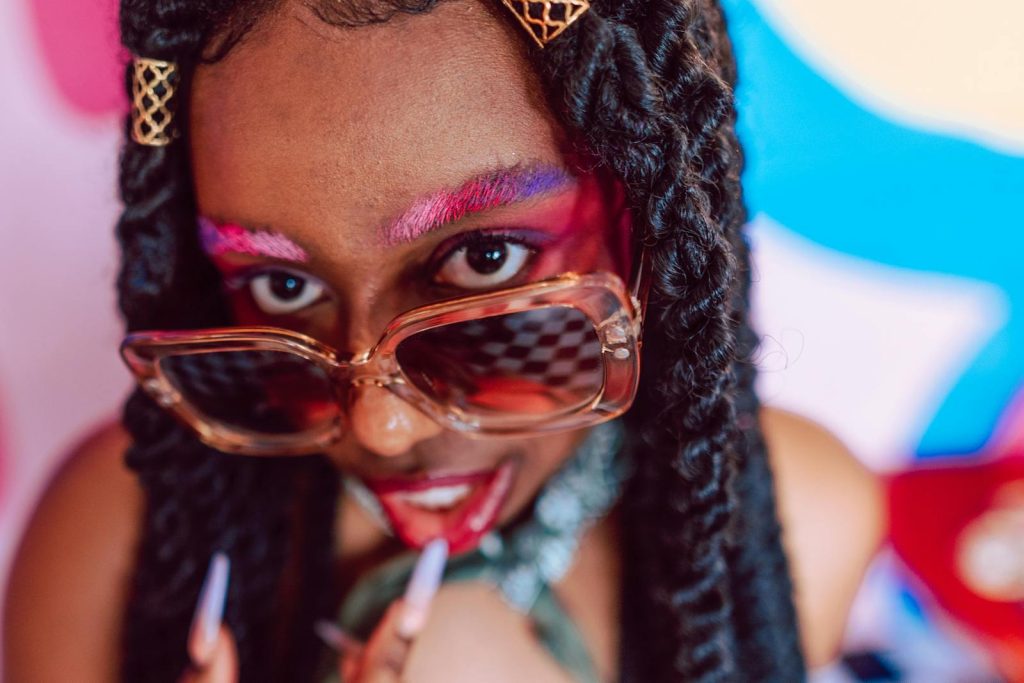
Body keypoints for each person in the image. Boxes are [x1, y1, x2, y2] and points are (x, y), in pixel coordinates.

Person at [4, 0, 883, 681]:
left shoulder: (808, 520)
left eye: (484, 257)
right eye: (283, 286)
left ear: (649, 217)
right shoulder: (117, 541)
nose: (379, 427)